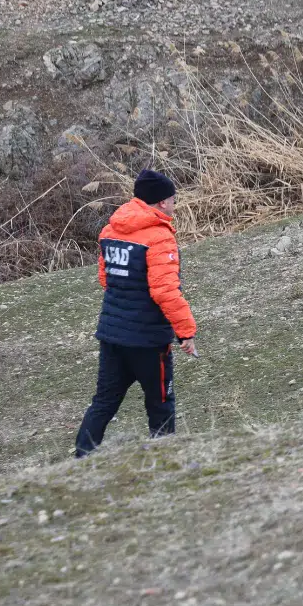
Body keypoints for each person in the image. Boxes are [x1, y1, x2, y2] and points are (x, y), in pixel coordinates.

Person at [74, 169, 198, 457]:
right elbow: (165, 292)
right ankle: (165, 457)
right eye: (173, 199)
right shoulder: (159, 237)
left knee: (104, 402)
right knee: (160, 401)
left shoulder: (111, 230)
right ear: (162, 202)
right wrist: (186, 332)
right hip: (148, 341)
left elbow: (105, 279)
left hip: (112, 335)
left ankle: (81, 457)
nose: (175, 204)